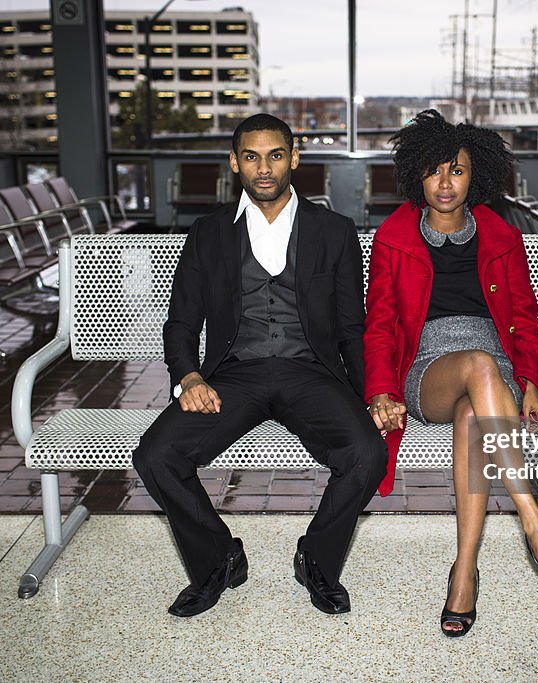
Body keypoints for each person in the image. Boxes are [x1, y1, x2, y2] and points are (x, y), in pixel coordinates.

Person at [133, 113, 387, 618]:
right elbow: (181, 322)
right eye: (251, 156)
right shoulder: (207, 234)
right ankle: (218, 559)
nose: (264, 168)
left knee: (365, 454)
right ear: (234, 163)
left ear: (295, 158)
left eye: (275, 155)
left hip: (311, 371)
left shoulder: (334, 231)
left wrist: (372, 392)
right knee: (157, 455)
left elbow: (351, 327)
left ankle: (316, 558)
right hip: (234, 374)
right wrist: (189, 376)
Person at [363, 109, 538, 637]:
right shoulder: (393, 237)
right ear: (418, 173)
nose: (445, 182)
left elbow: (526, 321)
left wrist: (528, 381)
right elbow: (379, 326)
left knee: (473, 421)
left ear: (474, 176)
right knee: (476, 370)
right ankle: (534, 522)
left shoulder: (502, 237)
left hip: (496, 375)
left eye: (457, 171)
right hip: (428, 369)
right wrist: (380, 391)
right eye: (435, 170)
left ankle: (464, 572)